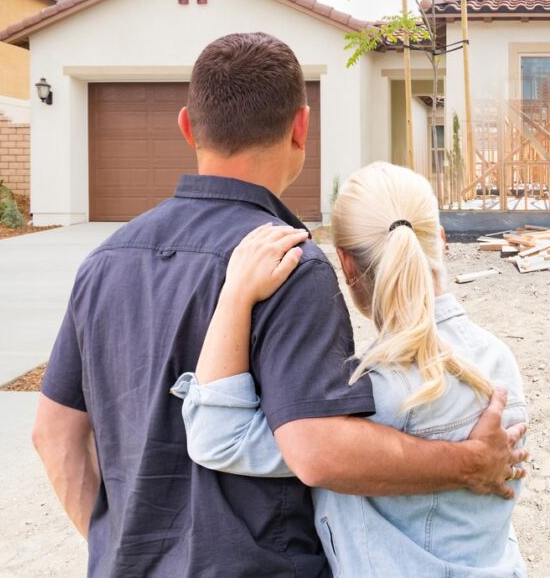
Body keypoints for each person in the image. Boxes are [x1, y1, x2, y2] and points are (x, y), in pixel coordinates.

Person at [30, 32, 528, 577]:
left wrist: (119, 549)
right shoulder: (291, 267)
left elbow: (53, 435)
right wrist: (466, 463)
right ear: (301, 127)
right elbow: (318, 448)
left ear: (187, 126)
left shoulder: (103, 263)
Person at [172, 162, 529, 576]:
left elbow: (218, 437)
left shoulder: (368, 395)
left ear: (347, 266)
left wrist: (235, 294)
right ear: (442, 242)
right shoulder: (500, 361)